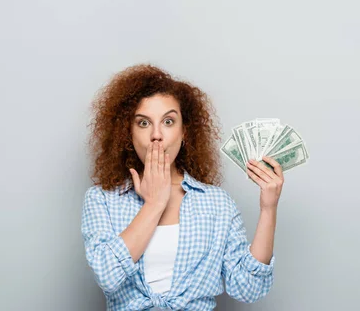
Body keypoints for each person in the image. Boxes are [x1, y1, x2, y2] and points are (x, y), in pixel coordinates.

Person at [81, 64, 285, 311]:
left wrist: (268, 208)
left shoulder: (216, 203)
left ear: (184, 131)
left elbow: (248, 288)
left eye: (168, 121)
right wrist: (155, 203)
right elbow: (107, 275)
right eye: (144, 123)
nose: (157, 135)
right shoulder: (101, 199)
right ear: (128, 133)